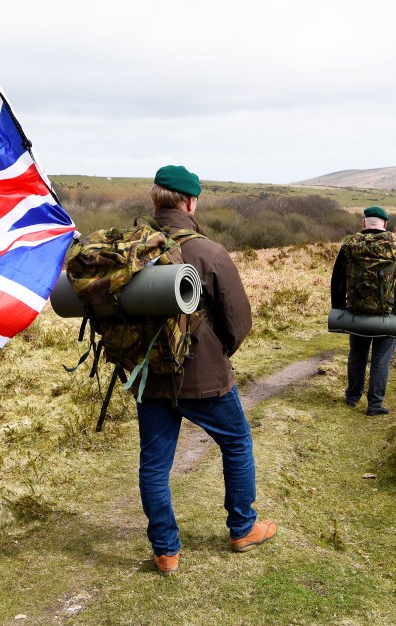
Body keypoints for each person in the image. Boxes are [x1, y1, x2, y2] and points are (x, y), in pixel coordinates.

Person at [133, 164, 276, 576]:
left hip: (148, 376)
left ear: (155, 200)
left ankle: (166, 552)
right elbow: (239, 321)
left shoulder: (133, 249)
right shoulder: (209, 252)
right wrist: (216, 355)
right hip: (205, 379)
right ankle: (243, 528)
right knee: (236, 443)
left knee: (154, 465)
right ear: (191, 201)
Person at [331, 206, 396, 415]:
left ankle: (352, 397)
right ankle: (375, 405)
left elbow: (337, 280)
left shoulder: (350, 244)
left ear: (364, 223)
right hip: (390, 313)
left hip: (355, 312)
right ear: (385, 224)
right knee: (381, 359)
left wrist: (339, 309)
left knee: (357, 355)